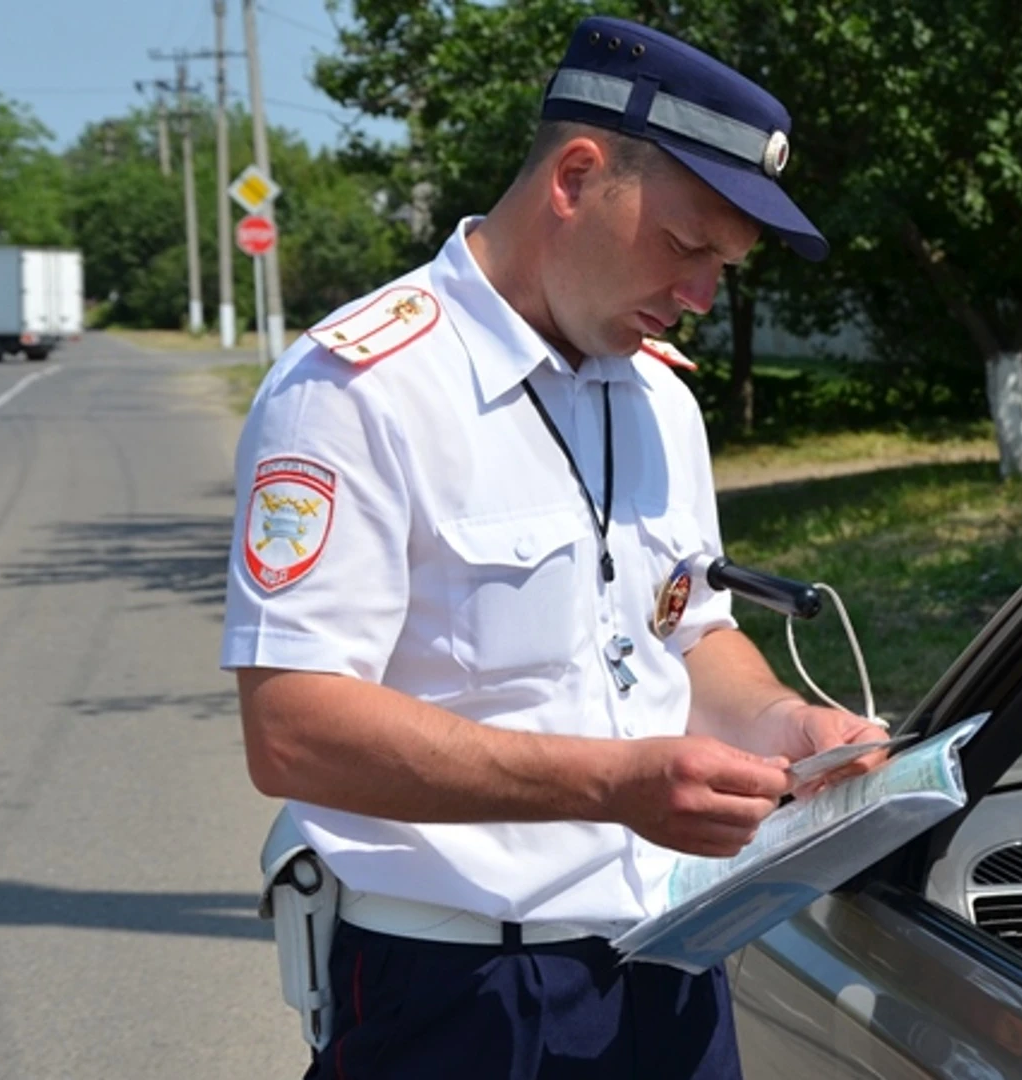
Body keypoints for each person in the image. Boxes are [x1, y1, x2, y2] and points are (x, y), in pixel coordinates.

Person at [221, 17, 884, 1079]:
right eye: (687, 245)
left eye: (726, 265)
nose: (704, 296)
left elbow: (687, 630)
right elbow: (294, 731)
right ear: (578, 176)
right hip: (460, 997)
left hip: (671, 969)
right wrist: (611, 784)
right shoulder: (358, 390)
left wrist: (787, 723)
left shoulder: (660, 400)